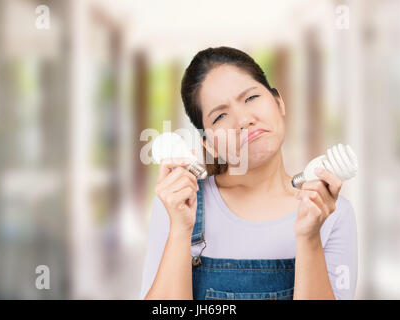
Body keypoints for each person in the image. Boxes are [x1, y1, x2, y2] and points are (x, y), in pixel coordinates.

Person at [140, 46, 357, 300]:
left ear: (279, 102)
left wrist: (309, 238)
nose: (243, 119)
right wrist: (179, 229)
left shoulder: (333, 213)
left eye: (251, 98)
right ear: (209, 145)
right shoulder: (177, 204)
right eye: (220, 115)